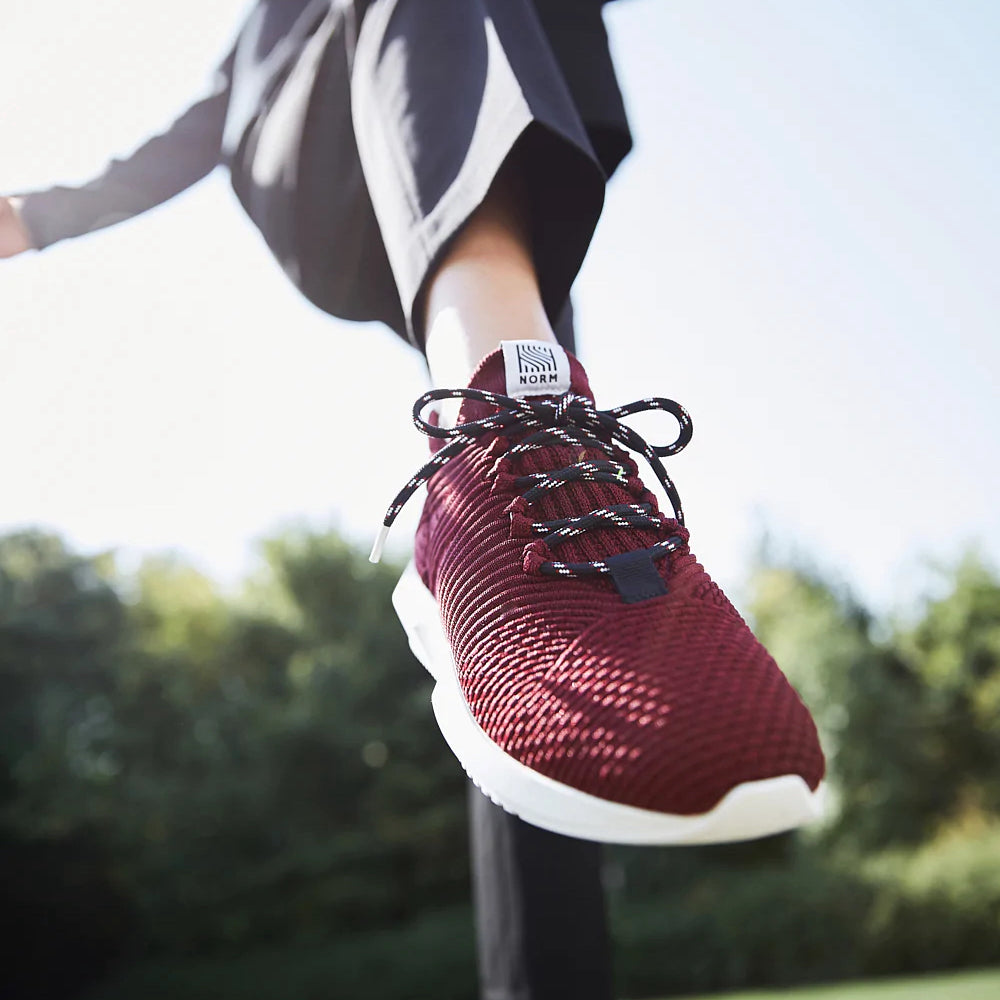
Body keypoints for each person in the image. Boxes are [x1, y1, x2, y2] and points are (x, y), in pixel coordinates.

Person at [2, 1, 825, 996]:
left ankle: (523, 444)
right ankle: (494, 431)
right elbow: (192, 135)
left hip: (526, 134)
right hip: (333, 153)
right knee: (513, 394)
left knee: (531, 658)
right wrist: (36, 215)